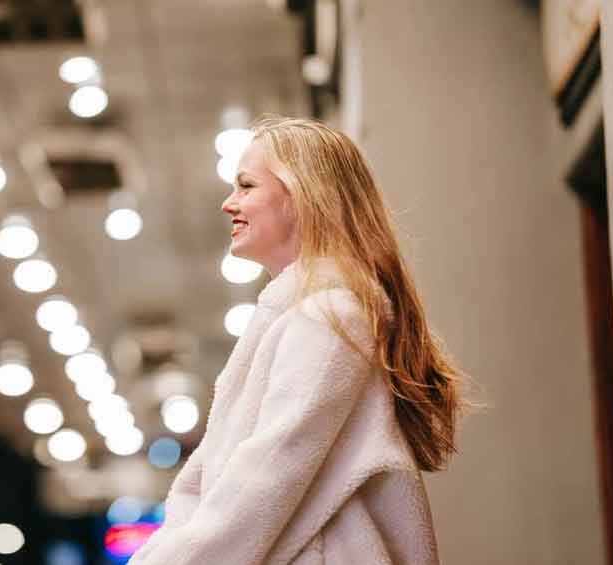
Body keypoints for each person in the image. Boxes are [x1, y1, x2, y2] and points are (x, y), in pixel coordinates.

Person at [130, 115, 462, 565]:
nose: (229, 204)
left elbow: (268, 473)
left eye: (246, 186)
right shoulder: (303, 317)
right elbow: (209, 483)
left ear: (302, 195)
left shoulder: (330, 317)